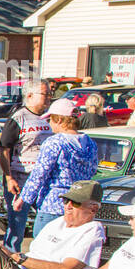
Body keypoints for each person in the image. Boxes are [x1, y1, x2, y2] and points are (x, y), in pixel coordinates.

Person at [16, 98, 99, 238]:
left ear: (60, 120)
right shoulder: (90, 142)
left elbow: (39, 174)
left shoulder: (54, 142)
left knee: (42, 248)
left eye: (50, 120)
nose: (49, 124)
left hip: (54, 204)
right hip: (80, 205)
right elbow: (92, 171)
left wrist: (23, 199)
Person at [0, 80, 52, 252]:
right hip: (21, 179)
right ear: (30, 95)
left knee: (46, 223)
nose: (49, 98)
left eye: (50, 94)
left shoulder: (50, 118)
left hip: (44, 180)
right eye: (45, 94)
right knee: (17, 226)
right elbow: (3, 148)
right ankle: (10, 261)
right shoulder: (18, 117)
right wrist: (9, 177)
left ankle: (41, 260)